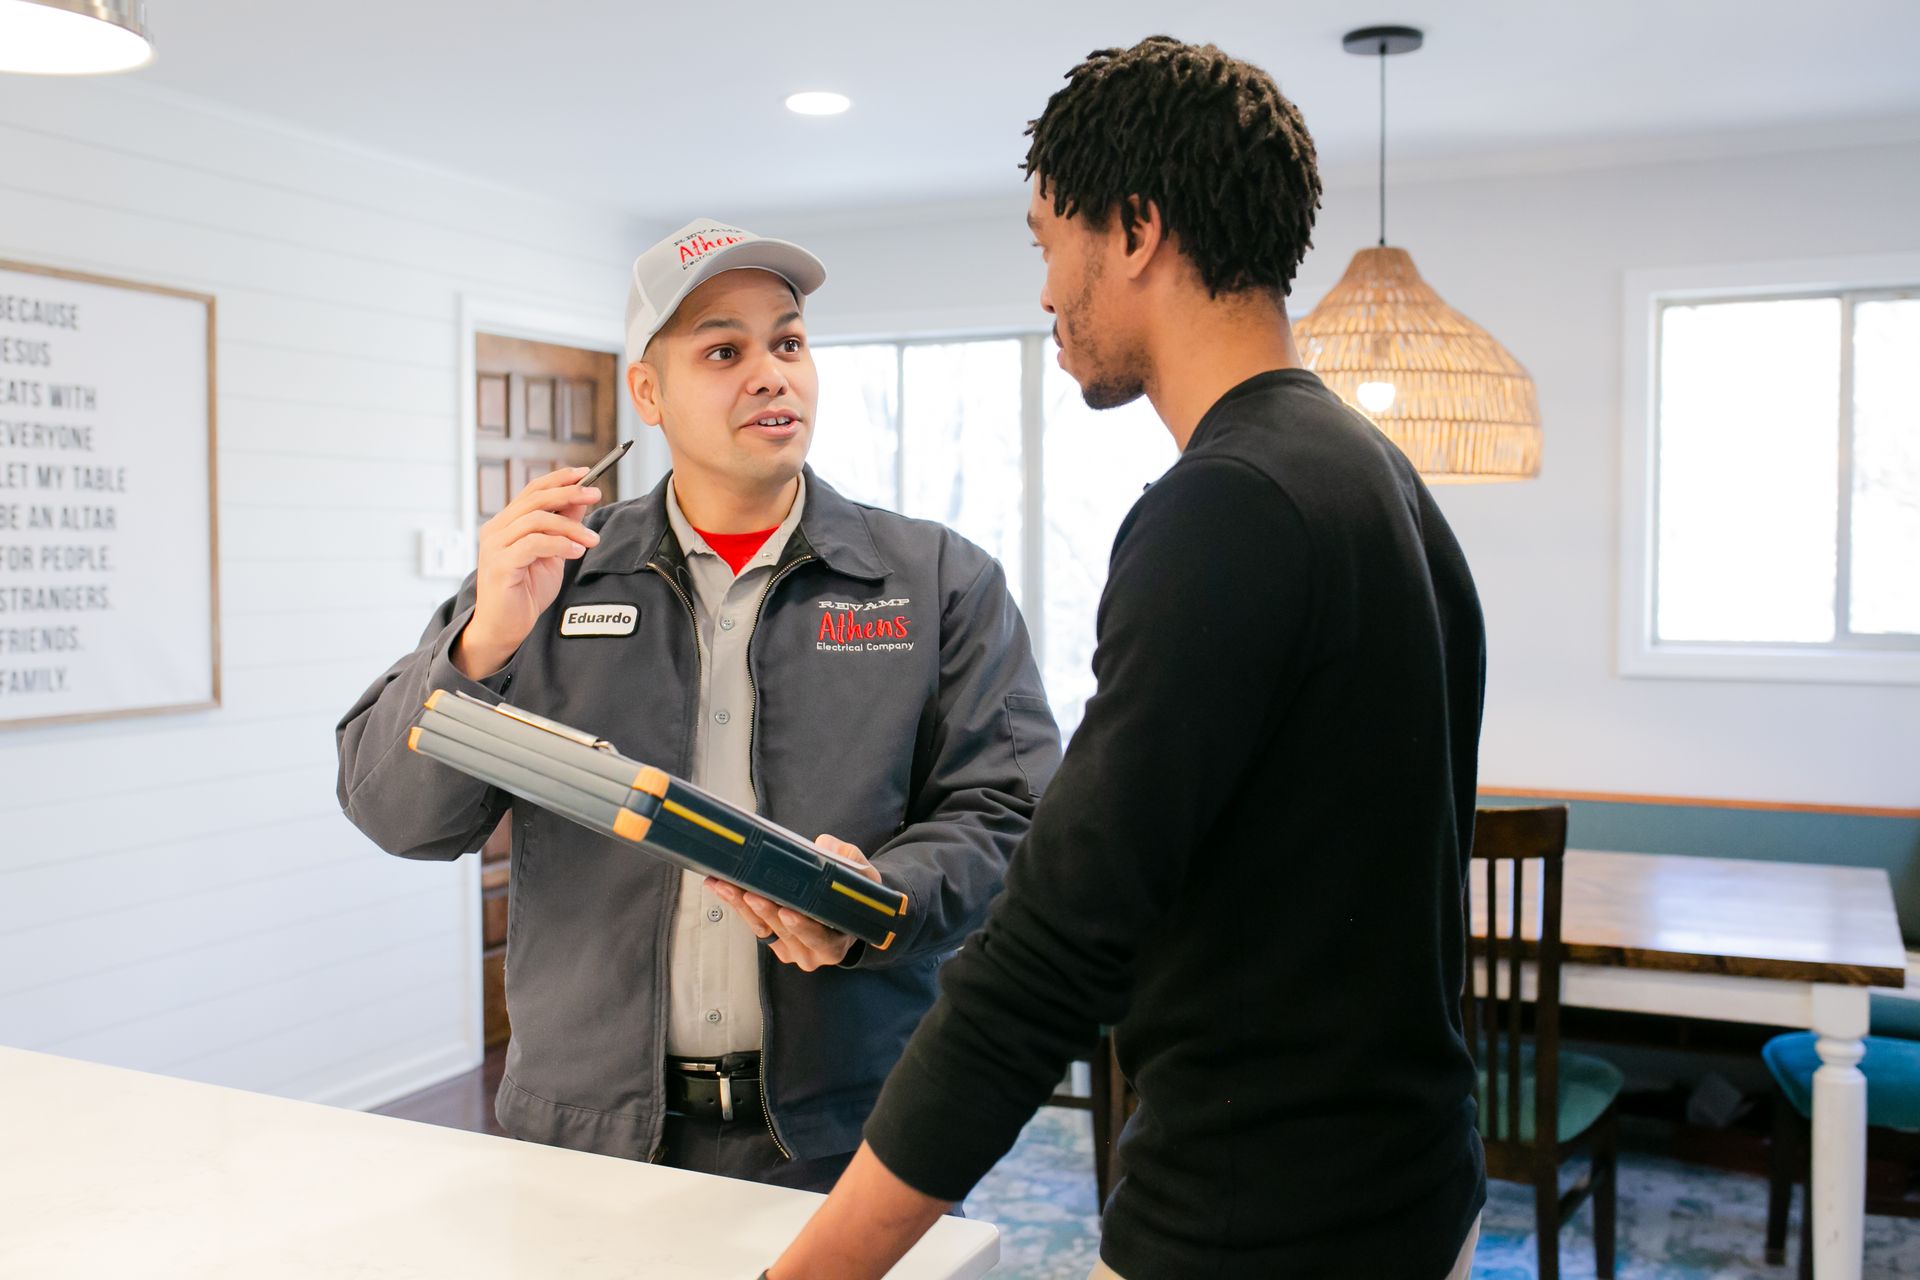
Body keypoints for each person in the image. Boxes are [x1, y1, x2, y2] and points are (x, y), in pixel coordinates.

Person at [769, 36, 1487, 1279]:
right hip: (1414, 1192)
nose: (1046, 292)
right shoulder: (1382, 482)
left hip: (1255, 1222)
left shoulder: (1229, 505)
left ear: (1139, 228)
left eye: (1050, 240)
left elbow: (1051, 951)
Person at [335, 218, 1060, 1192]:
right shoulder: (552, 580)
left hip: (853, 1131)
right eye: (725, 349)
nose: (771, 373)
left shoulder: (935, 580)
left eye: (789, 341)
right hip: (585, 1139)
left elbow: (1009, 813)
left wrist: (880, 901)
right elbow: (394, 810)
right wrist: (483, 643)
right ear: (649, 391)